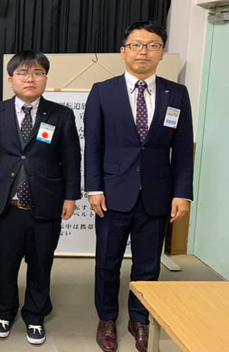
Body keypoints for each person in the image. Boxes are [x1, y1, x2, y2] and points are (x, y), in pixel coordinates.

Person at [84, 20, 193, 352]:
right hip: (112, 193)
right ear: (123, 51)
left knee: (147, 264)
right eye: (136, 45)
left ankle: (140, 319)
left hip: (157, 194)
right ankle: (106, 318)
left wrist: (182, 192)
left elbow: (183, 148)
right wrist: (94, 188)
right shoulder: (103, 91)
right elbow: (94, 145)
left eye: (152, 45)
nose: (143, 51)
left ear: (162, 52)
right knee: (108, 261)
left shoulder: (177, 94)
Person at [0, 50, 81, 345]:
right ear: (10, 79)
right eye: (22, 73)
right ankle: (4, 310)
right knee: (4, 263)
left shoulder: (61, 115)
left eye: (38, 72)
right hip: (4, 204)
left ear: (45, 78)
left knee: (41, 263)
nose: (30, 78)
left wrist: (71, 196)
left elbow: (71, 159)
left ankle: (35, 314)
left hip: (45, 203)